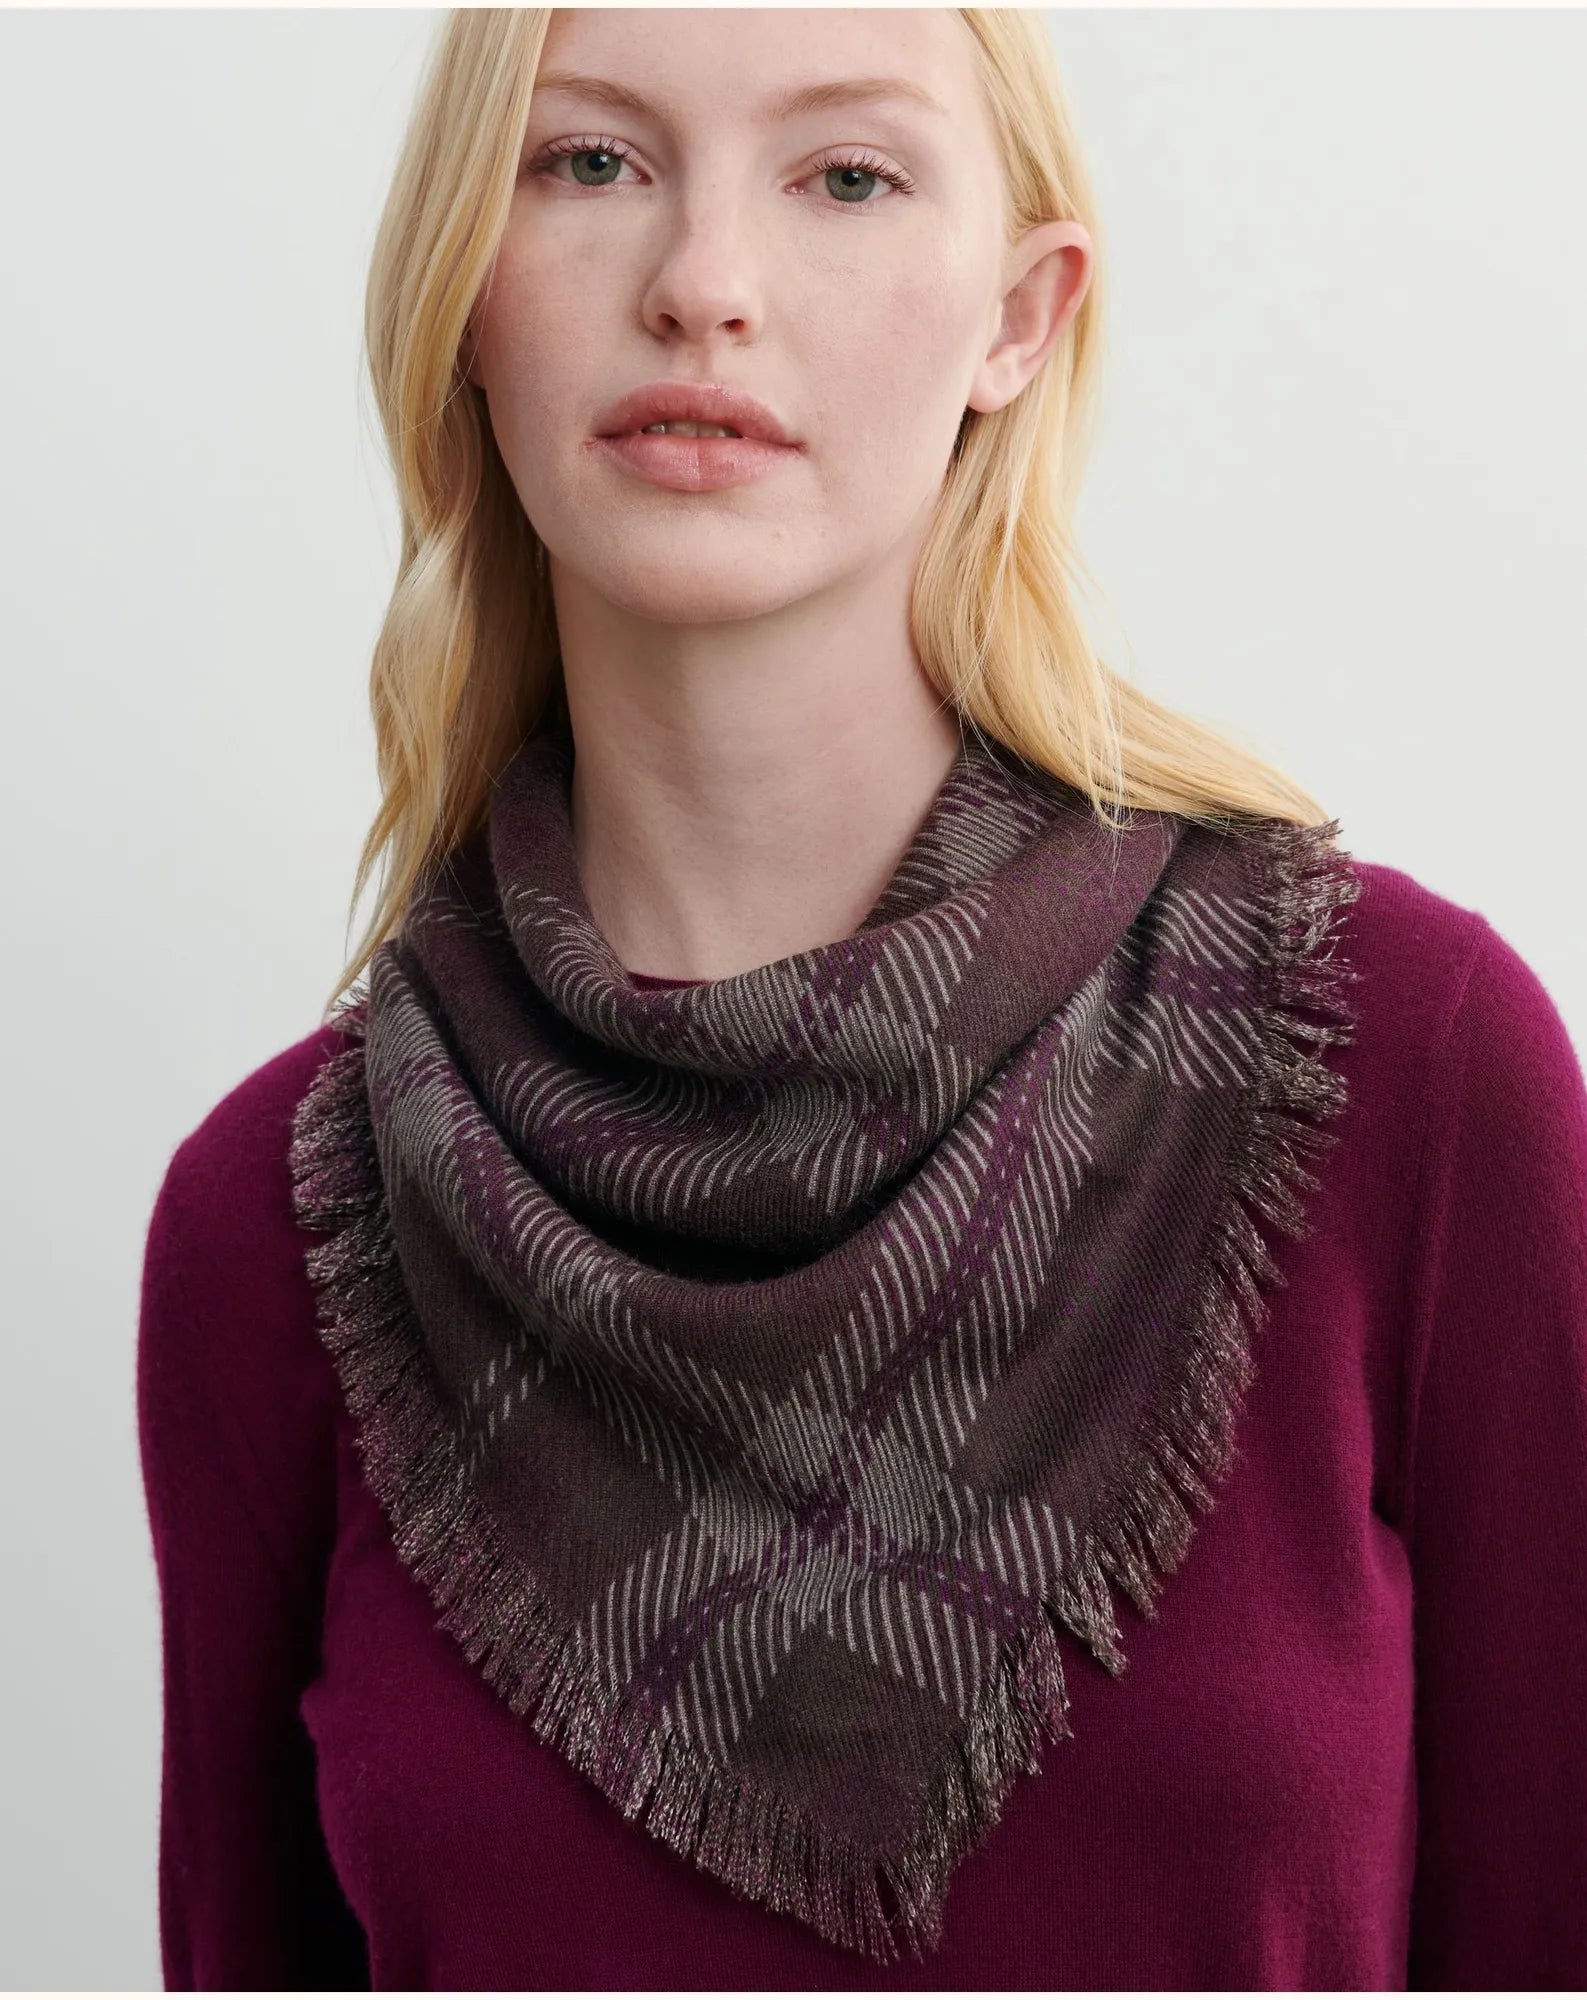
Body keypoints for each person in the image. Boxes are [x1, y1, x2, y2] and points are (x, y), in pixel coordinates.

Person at [136, 7, 1587, 1989]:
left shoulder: (1408, 1073)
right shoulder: (278, 1225)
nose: (704, 285)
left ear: (1020, 317)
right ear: (464, 289)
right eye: (588, 162)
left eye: (846, 177)